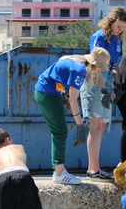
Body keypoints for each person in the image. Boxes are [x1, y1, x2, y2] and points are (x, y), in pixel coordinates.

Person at [35, 47, 111, 185]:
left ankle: (59, 171)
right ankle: (59, 173)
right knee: (60, 131)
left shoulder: (83, 63)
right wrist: (80, 125)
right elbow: (72, 99)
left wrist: (104, 90)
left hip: (51, 91)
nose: (103, 70)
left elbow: (97, 74)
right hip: (47, 92)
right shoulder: (80, 70)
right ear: (94, 65)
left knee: (59, 131)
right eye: (101, 67)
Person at [81, 7, 126, 181]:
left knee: (101, 127)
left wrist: (116, 85)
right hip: (96, 81)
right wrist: (103, 90)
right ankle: (93, 170)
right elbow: (96, 65)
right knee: (95, 128)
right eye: (118, 26)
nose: (120, 30)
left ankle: (94, 168)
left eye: (123, 27)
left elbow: (116, 63)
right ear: (111, 22)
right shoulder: (99, 37)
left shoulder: (117, 38)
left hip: (108, 81)